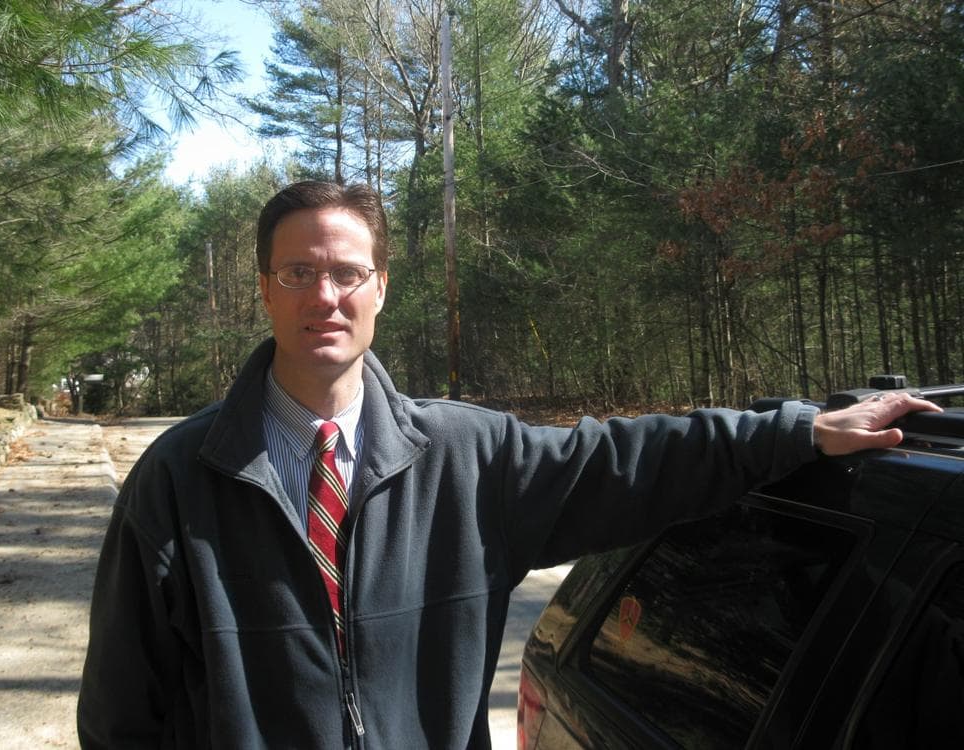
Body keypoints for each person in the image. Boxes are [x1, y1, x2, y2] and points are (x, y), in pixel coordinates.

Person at [76, 180, 940, 749]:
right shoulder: (180, 478)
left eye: (347, 272)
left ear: (381, 287)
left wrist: (798, 431)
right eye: (298, 272)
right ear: (264, 286)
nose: (325, 297)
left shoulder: (468, 456)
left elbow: (630, 460)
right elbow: (122, 713)